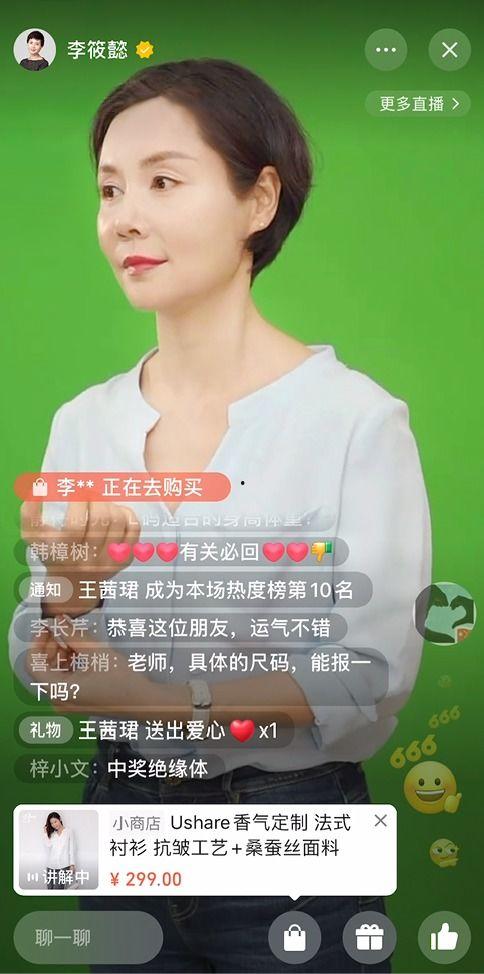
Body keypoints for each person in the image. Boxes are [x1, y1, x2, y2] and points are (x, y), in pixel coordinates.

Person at [10, 59, 431, 972]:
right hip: (119, 821)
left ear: (258, 200)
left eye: (163, 181)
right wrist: (69, 601)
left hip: (288, 835)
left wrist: (174, 705)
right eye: (111, 190)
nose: (125, 217)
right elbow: (40, 658)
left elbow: (369, 672)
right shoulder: (83, 423)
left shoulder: (356, 421)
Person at [42, 812, 76, 890]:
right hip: (50, 866)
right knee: (50, 889)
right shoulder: (53, 834)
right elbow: (48, 845)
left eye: (55, 821)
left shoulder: (69, 831)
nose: (54, 824)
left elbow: (72, 849)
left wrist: (72, 864)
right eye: (52, 823)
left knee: (57, 889)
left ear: (60, 819)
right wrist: (45, 833)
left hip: (63, 866)